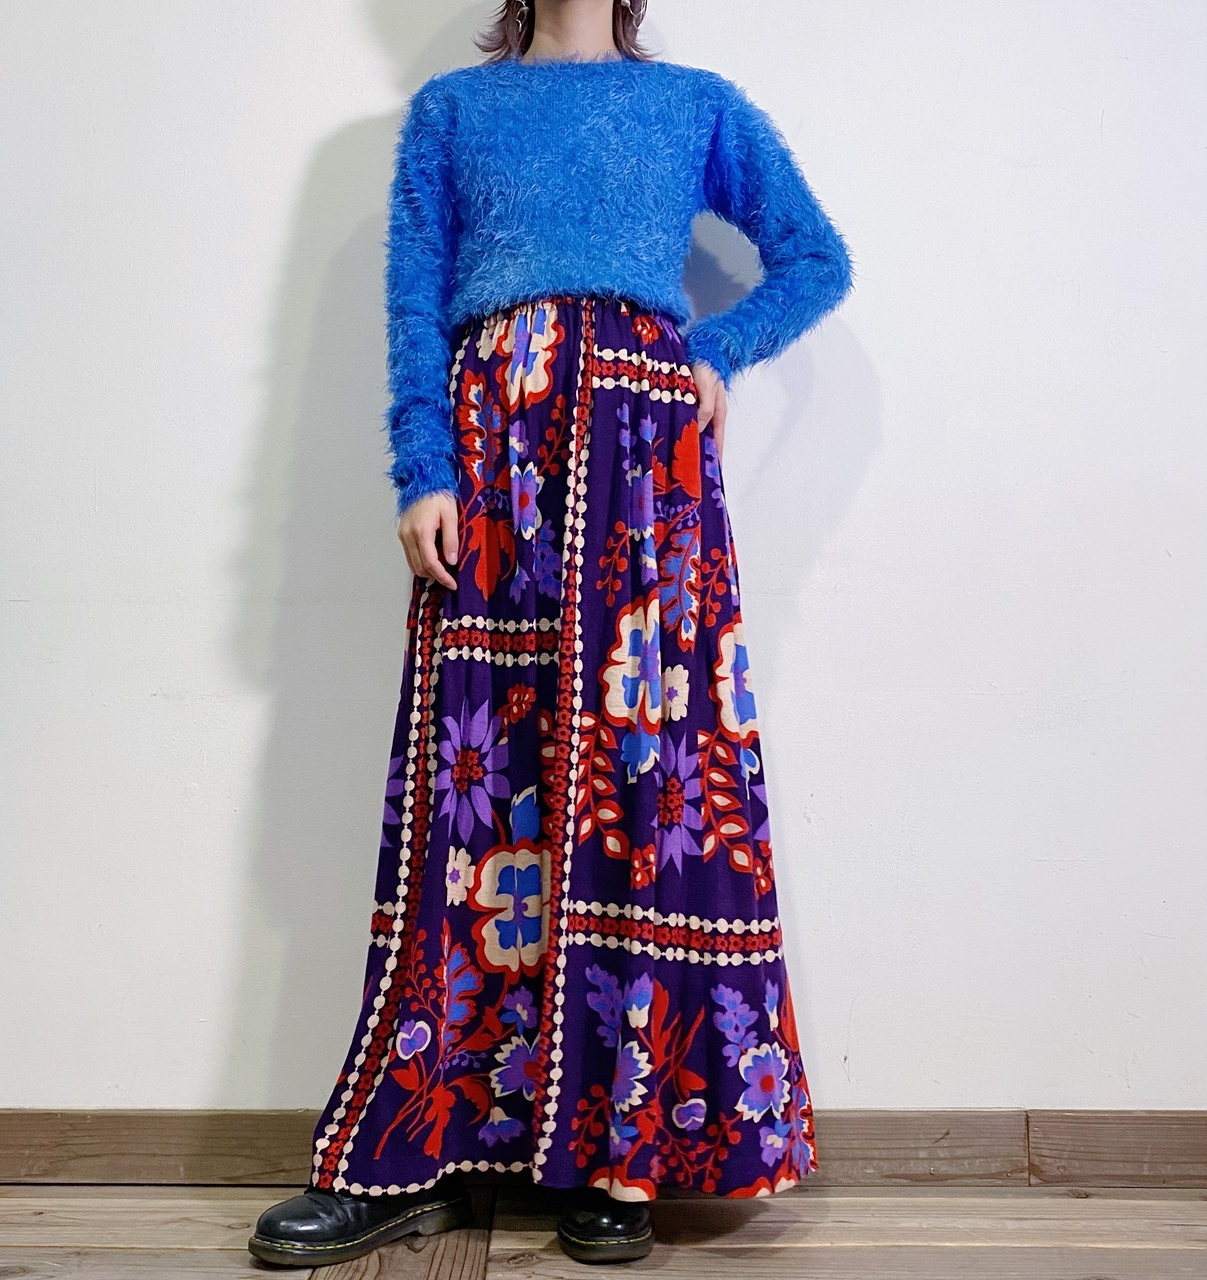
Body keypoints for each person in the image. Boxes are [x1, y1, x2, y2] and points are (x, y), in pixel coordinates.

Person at [248, 0, 854, 1267]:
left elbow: (814, 256)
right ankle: (412, 1147)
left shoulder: (694, 107)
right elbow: (413, 301)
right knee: (471, 791)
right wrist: (422, 465)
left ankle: (625, 1154)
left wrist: (715, 350)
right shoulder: (453, 113)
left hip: (643, 465)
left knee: (646, 785)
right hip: (493, 461)